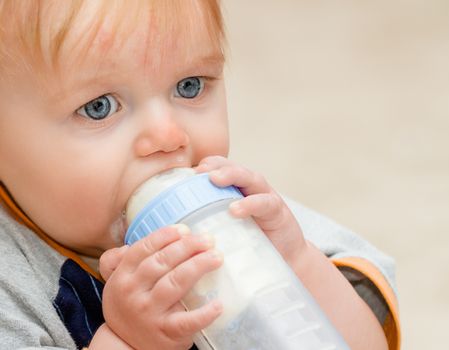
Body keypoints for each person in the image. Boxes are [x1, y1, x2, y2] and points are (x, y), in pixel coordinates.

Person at [0, 1, 400, 349]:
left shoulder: (247, 221)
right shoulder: (11, 291)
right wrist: (127, 342)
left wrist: (297, 264)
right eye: (99, 107)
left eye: (189, 86)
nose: (168, 136)